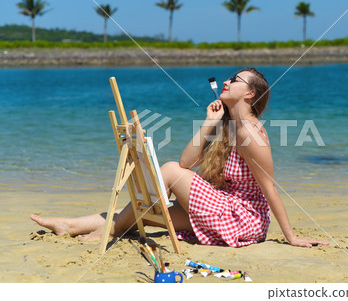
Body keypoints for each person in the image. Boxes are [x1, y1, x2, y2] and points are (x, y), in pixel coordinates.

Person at [31, 68, 328, 248]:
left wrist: (291, 237)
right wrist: (208, 124)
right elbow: (189, 163)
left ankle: (103, 231)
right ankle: (69, 225)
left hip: (242, 218)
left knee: (167, 171)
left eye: (235, 79)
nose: (226, 80)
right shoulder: (227, 126)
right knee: (140, 213)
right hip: (223, 207)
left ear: (250, 94)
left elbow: (269, 188)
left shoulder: (250, 132)